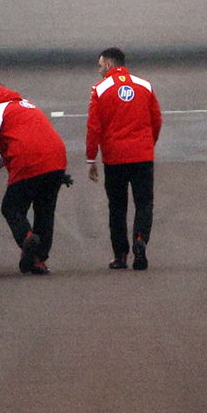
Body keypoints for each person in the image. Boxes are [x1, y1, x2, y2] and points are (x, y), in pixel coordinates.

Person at [0, 79, 68, 275]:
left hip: (29, 162)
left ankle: (27, 237)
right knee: (44, 211)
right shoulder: (27, 106)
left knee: (12, 207)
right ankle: (39, 260)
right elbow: (9, 147)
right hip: (56, 161)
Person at [86, 47, 163, 270]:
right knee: (144, 203)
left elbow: (93, 128)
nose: (99, 70)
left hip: (114, 159)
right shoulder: (145, 85)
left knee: (117, 207)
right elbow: (156, 120)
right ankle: (140, 240)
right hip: (142, 155)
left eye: (100, 66)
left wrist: (91, 159)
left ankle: (120, 255)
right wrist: (148, 144)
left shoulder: (99, 90)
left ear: (109, 64)